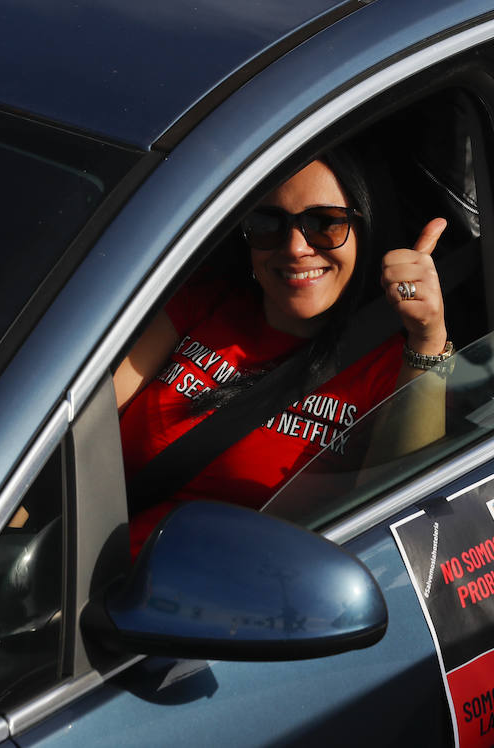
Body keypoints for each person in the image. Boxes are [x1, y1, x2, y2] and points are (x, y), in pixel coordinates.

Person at [113, 150, 452, 552]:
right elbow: (78, 426)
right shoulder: (206, 298)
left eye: (325, 224)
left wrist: (428, 339)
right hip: (83, 578)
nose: (294, 248)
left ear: (365, 228)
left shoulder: (387, 367)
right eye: (267, 223)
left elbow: (397, 522)